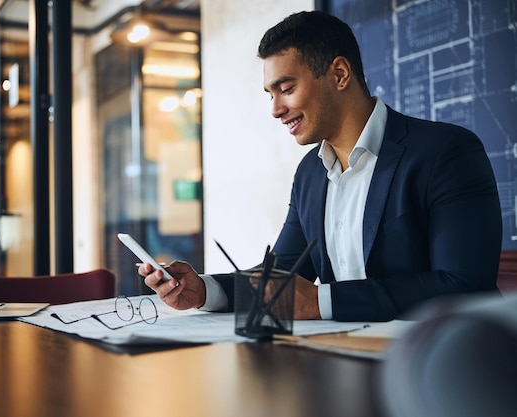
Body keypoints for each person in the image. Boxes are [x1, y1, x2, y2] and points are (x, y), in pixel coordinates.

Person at [139, 10, 502, 322]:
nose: (276, 109)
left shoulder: (446, 152)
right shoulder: (310, 173)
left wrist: (320, 302)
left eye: (286, 88)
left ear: (340, 74)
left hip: (440, 367)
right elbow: (279, 276)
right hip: (342, 360)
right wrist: (204, 290)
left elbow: (464, 285)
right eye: (271, 94)